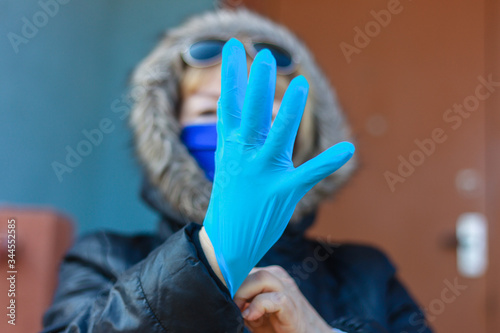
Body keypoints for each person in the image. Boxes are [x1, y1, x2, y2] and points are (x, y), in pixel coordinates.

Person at [41, 9, 432, 333]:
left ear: (302, 134)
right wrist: (207, 257)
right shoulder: (104, 257)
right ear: (168, 133)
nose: (241, 136)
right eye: (211, 112)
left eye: (269, 111)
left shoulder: (366, 274)